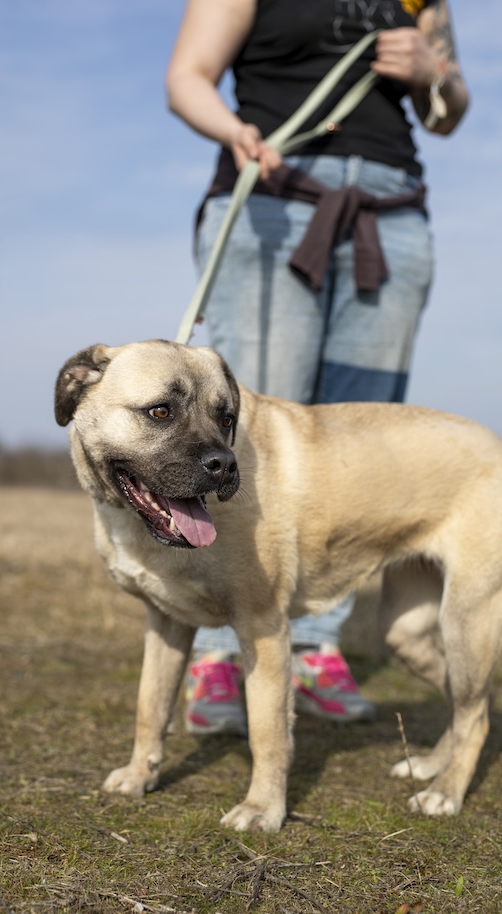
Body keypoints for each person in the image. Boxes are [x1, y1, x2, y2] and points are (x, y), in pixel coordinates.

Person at [165, 0, 469, 733]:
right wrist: (231, 130)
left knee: (362, 445)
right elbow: (188, 77)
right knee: (242, 438)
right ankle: (218, 649)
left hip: (391, 212)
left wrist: (432, 73)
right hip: (275, 198)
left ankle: (313, 645)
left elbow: (447, 112)